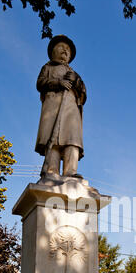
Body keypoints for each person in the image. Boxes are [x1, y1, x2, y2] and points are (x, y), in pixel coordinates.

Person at [35, 35, 87, 178]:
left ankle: (71, 172)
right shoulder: (47, 68)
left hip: (71, 110)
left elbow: (84, 93)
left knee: (72, 139)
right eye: (61, 47)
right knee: (53, 139)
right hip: (53, 107)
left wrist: (76, 81)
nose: (65, 50)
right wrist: (58, 83)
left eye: (68, 49)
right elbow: (40, 83)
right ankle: (52, 171)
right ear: (53, 51)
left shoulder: (73, 73)